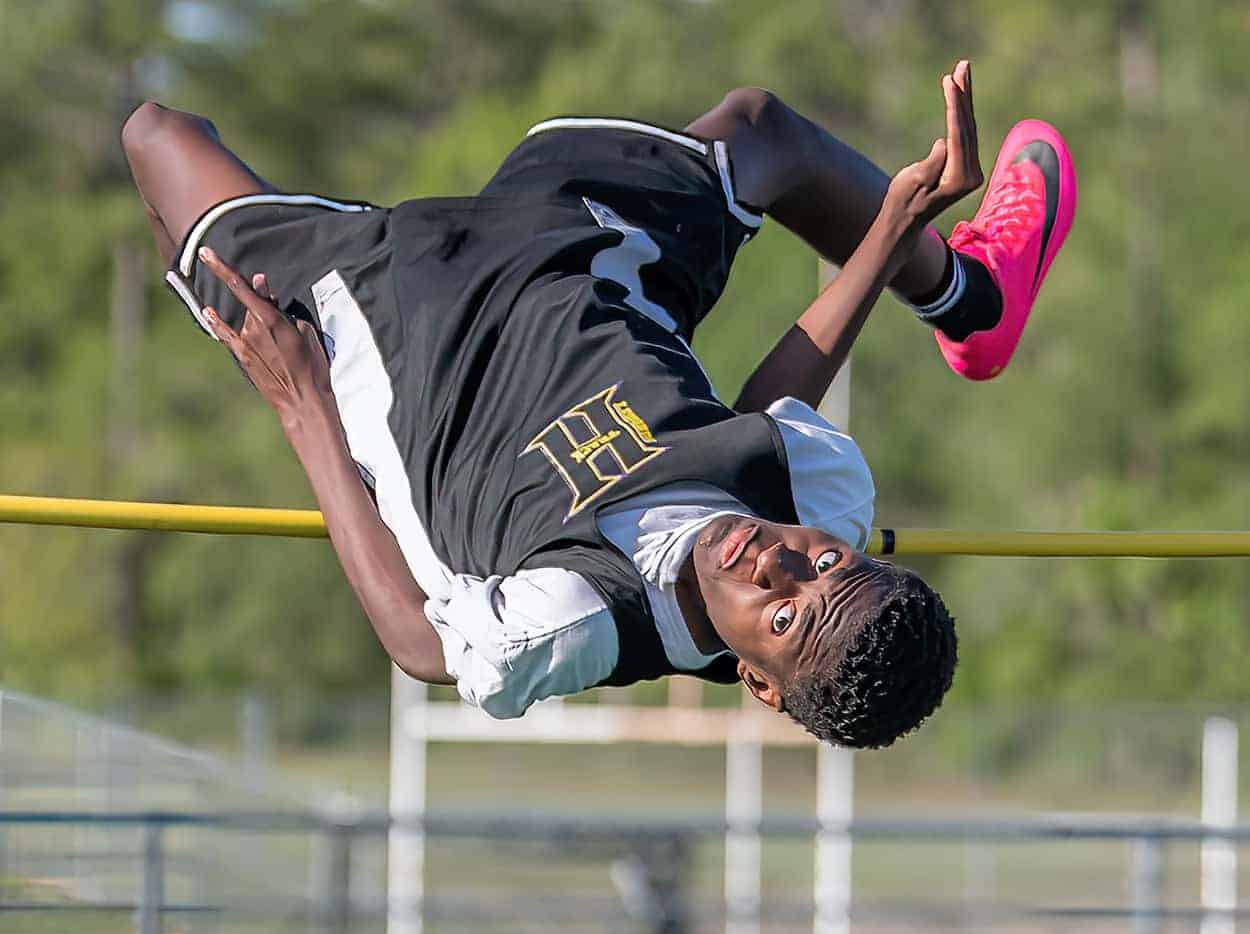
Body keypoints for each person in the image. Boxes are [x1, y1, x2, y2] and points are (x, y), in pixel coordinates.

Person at [121, 63, 1075, 748]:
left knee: (156, 136)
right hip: (572, 255)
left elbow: (419, 646)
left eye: (781, 617)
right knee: (761, 131)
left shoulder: (577, 617)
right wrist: (890, 232)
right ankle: (970, 297)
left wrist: (302, 405)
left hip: (373, 317)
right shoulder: (817, 498)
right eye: (820, 561)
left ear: (756, 683)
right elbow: (756, 423)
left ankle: (963, 298)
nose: (776, 561)